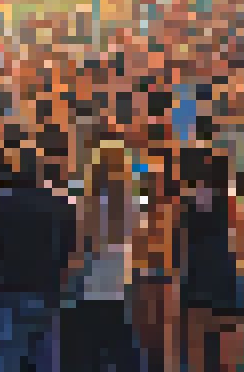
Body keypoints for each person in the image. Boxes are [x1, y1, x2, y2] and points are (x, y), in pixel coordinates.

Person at [0, 144, 78, 372]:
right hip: (46, 292)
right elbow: (71, 252)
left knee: (5, 360)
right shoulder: (61, 205)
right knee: (44, 360)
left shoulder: (0, 203)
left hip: (5, 290)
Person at [64, 143, 141, 372]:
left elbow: (79, 246)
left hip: (90, 283)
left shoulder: (88, 204)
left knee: (89, 354)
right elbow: (137, 240)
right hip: (119, 282)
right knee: (120, 351)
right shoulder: (130, 203)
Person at [176, 150, 244, 372]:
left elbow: (182, 241)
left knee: (198, 355)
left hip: (198, 279)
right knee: (226, 358)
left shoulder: (190, 199)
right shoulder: (230, 201)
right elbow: (241, 240)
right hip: (222, 280)